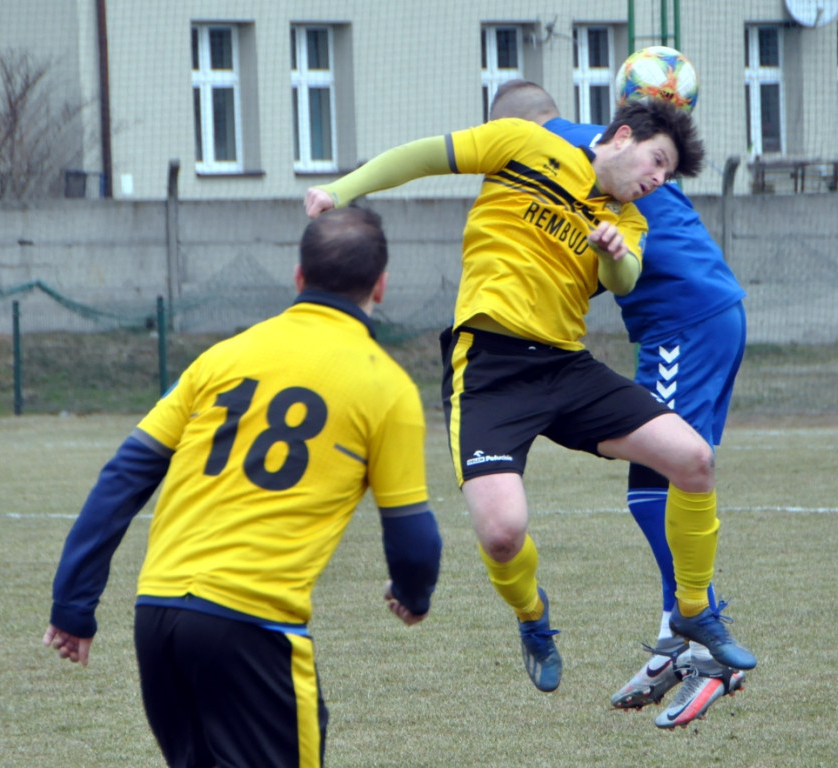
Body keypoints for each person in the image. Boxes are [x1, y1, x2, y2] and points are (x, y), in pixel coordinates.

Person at [303, 98, 755, 700]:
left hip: (567, 369)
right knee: (502, 534)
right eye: (657, 161)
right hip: (489, 368)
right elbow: (421, 157)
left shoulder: (631, 221)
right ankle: (533, 617)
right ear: (623, 136)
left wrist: (614, 252)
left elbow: (626, 279)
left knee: (694, 459)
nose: (658, 179)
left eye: (667, 175)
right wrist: (341, 190)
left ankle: (693, 610)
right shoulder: (522, 143)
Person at [43, 206, 443, 768]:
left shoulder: (221, 357)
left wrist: (73, 603)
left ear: (299, 278)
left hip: (158, 619)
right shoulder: (387, 387)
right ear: (381, 284)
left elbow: (123, 479)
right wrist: (413, 593)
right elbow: (413, 536)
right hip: (254, 628)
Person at [490, 78, 748, 728]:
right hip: (705, 315)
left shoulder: (561, 144)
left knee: (652, 488)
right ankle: (678, 634)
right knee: (676, 475)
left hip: (683, 323)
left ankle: (700, 640)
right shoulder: (607, 162)